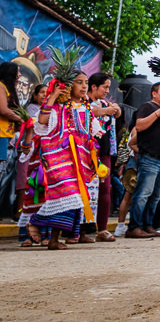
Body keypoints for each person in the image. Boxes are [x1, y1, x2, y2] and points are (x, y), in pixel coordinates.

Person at [27, 73, 99, 250]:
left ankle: (53, 239)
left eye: (86, 83)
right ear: (68, 86)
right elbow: (42, 121)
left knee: (72, 198)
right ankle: (37, 223)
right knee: (69, 194)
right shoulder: (58, 108)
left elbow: (93, 135)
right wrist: (52, 96)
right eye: (79, 82)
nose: (84, 86)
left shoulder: (86, 109)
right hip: (59, 160)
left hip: (78, 163)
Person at [127, 82, 160, 239]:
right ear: (154, 93)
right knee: (143, 194)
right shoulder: (148, 107)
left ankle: (147, 225)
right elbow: (139, 126)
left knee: (155, 196)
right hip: (149, 157)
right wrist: (157, 114)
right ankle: (134, 226)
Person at [88, 72, 122, 242]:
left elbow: (117, 114)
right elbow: (89, 111)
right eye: (105, 87)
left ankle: (102, 228)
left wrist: (114, 110)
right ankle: (77, 231)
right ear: (93, 87)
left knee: (104, 189)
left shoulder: (104, 103)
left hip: (104, 151)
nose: (107, 91)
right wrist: (107, 110)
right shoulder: (85, 103)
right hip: (86, 151)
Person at [15, 84, 45, 224]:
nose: (45, 95)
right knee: (25, 183)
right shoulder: (31, 110)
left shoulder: (49, 110)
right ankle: (20, 212)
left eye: (47, 92)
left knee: (40, 187)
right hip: (30, 150)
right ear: (34, 95)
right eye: (42, 92)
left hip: (42, 153)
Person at [0, 61, 23, 166]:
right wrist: (19, 119)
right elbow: (4, 110)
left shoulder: (6, 88)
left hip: (5, 135)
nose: (20, 75)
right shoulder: (1, 87)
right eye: (17, 71)